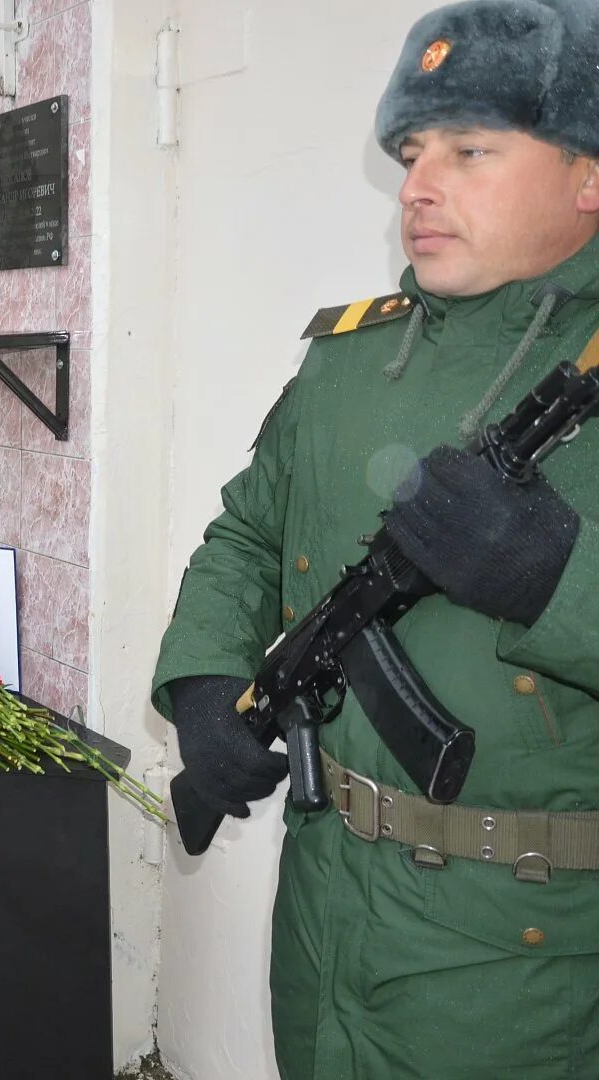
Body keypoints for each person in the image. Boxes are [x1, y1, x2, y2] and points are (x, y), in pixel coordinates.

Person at [152, 2, 599, 1076]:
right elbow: (251, 530)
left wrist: (559, 581)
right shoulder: (350, 360)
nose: (418, 186)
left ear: (590, 173)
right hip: (324, 906)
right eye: (410, 152)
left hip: (522, 954)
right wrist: (209, 681)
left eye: (470, 149)